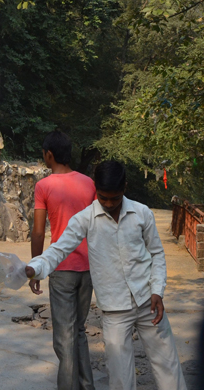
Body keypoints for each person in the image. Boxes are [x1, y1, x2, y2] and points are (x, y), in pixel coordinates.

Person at [26, 160, 187, 390]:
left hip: (148, 302)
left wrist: (157, 290)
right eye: (103, 198)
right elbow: (58, 250)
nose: (109, 203)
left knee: (168, 365)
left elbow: (157, 255)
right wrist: (35, 267)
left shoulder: (142, 214)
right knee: (120, 377)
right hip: (114, 311)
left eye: (115, 198)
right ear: (96, 190)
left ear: (125, 188)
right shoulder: (85, 219)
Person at [30, 131, 96, 390]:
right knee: (79, 331)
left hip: (61, 268)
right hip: (87, 268)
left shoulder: (44, 186)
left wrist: (36, 268)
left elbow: (38, 231)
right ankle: (86, 386)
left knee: (64, 338)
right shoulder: (89, 183)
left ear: (49, 155)